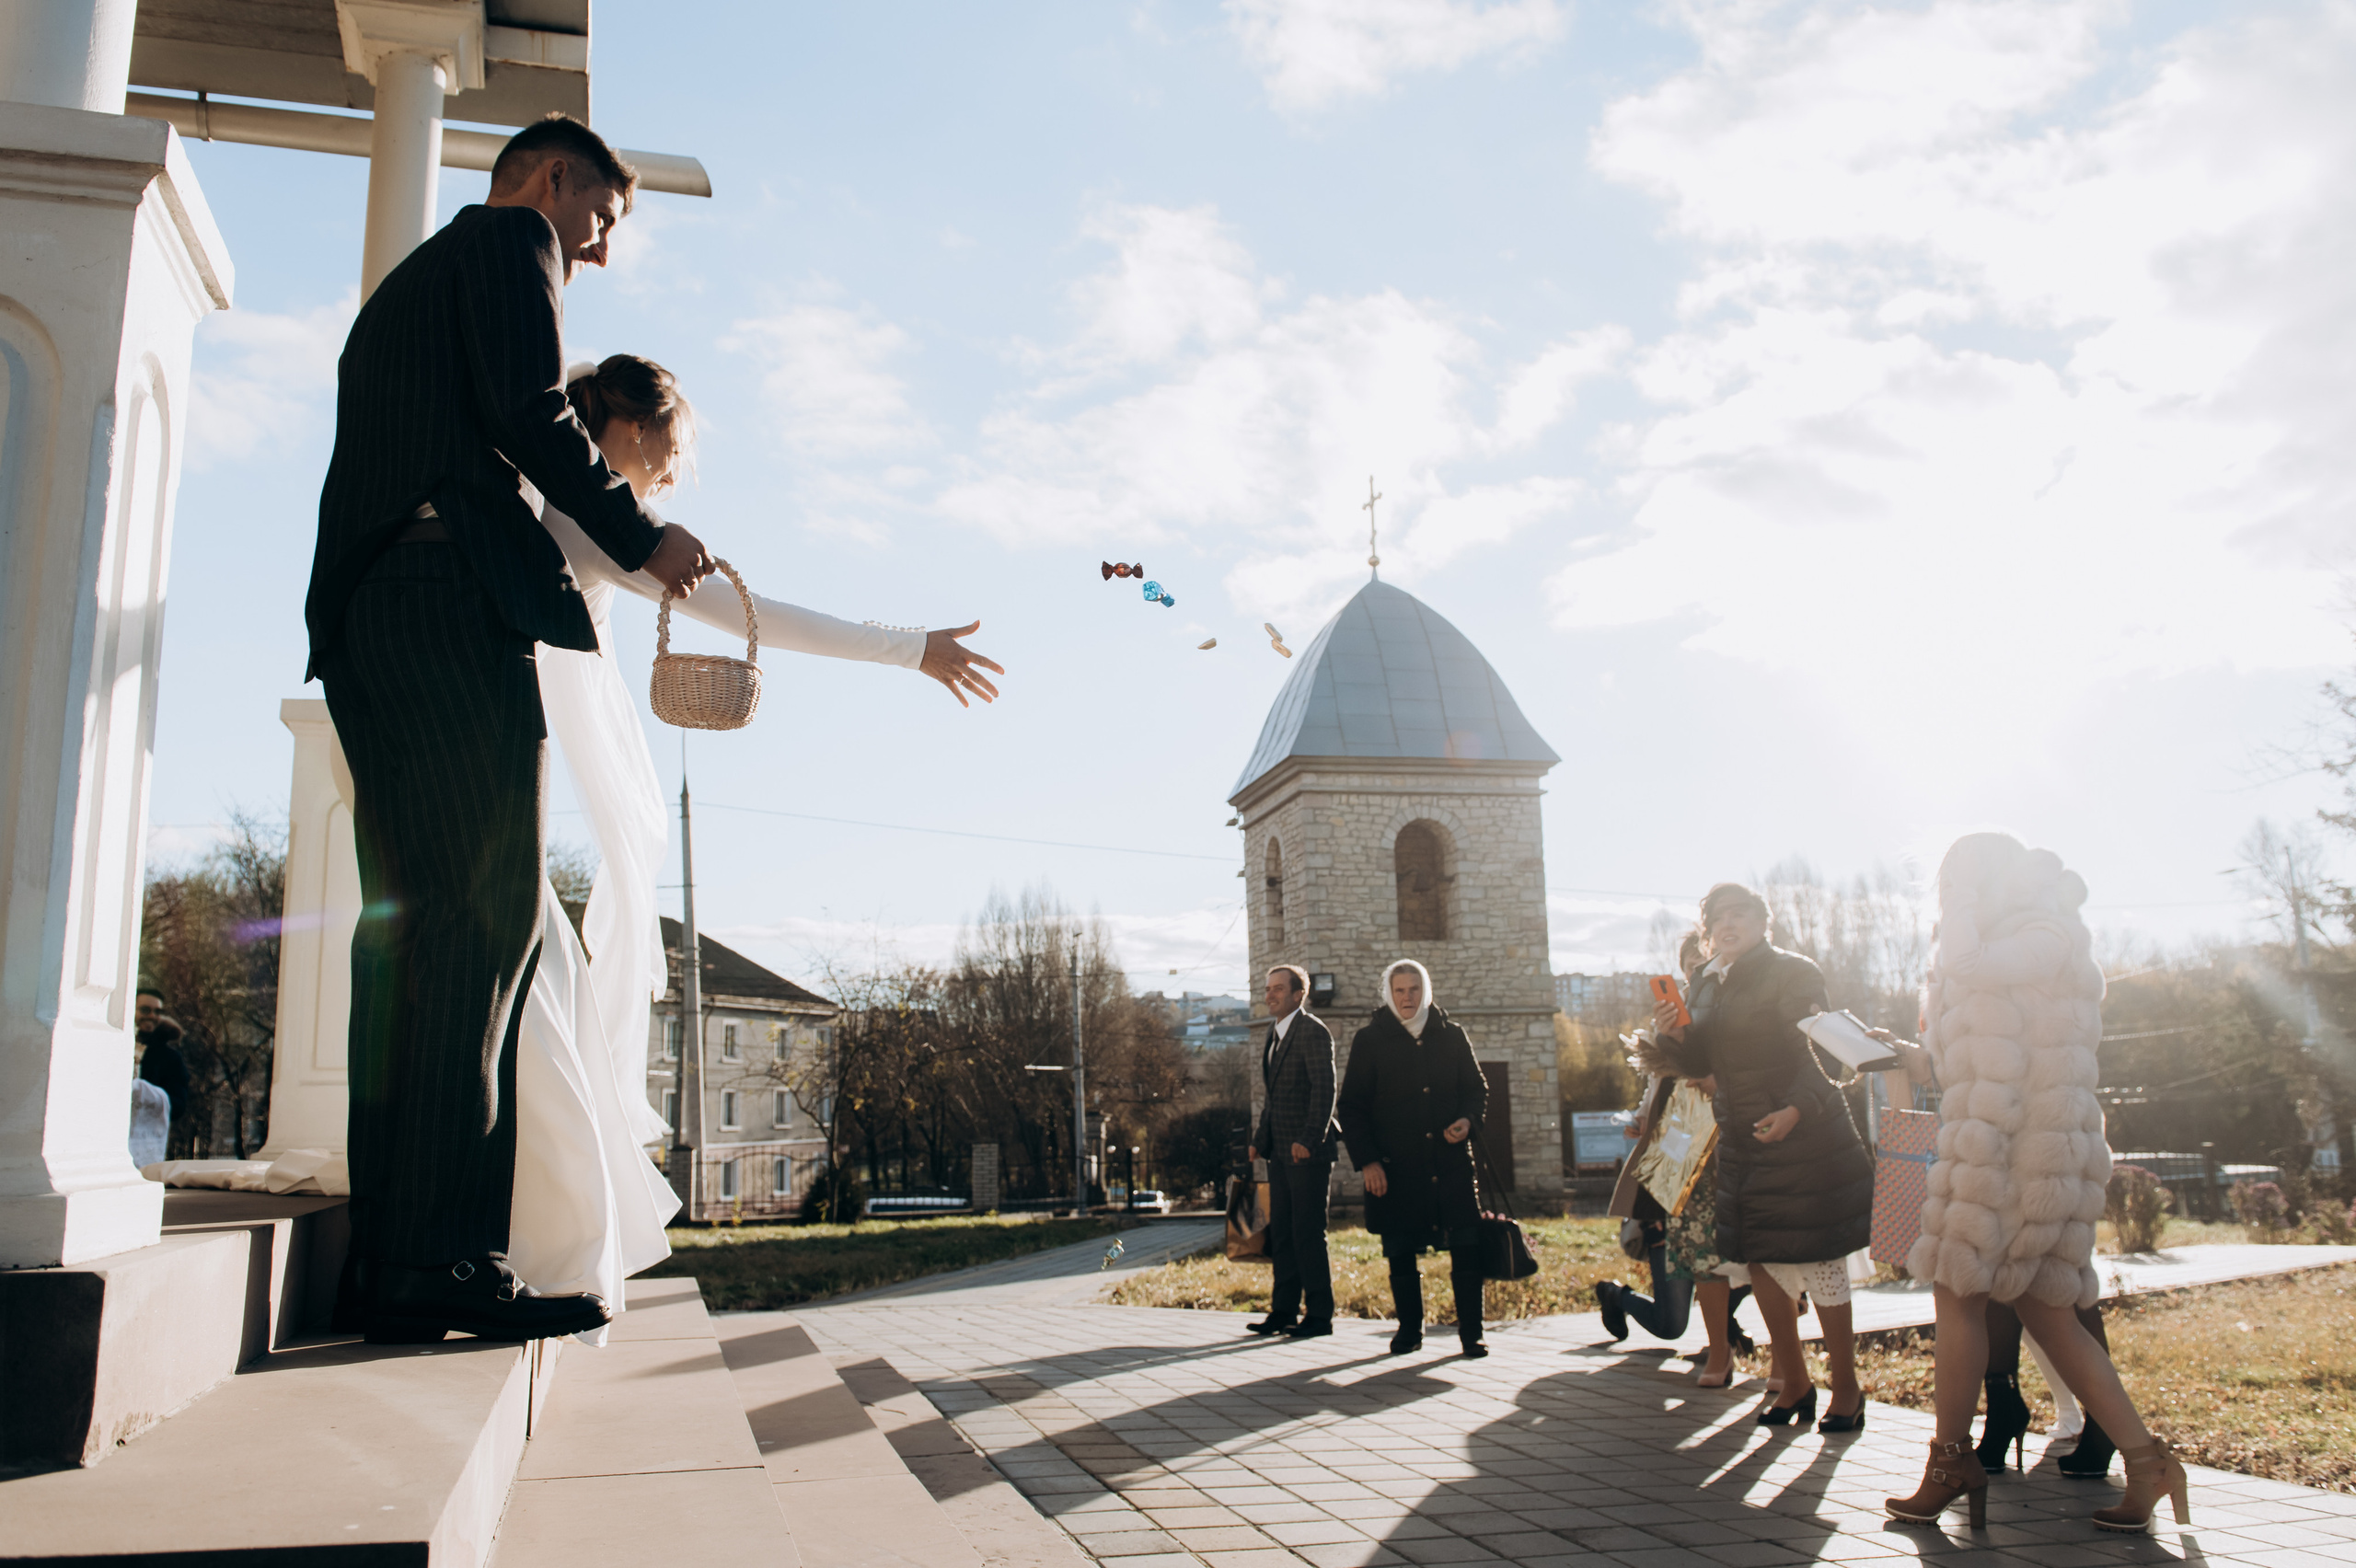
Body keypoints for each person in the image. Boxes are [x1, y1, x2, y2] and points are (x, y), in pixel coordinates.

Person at [306, 113, 718, 1344]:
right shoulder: (503, 248)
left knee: (413, 936)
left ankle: (396, 1253)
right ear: (551, 180)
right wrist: (646, 537)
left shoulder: (420, 284)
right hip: (442, 606)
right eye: (602, 217)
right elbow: (535, 413)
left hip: (378, 611)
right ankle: (440, 1263)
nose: (596, 249)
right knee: (483, 923)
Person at [515, 352, 999, 1323]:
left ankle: (542, 1218)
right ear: (634, 428)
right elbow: (754, 615)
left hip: (513, 717)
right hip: (510, 724)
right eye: (675, 447)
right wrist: (911, 649)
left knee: (549, 968)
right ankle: (550, 1226)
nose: (675, 470)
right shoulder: (602, 516)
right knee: (548, 979)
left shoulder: (544, 492)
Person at [1881, 834, 2182, 1535]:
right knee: (2045, 1312)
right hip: (1989, 1149)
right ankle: (2147, 1463)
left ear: (1985, 879)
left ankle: (1951, 1463)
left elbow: (1971, 963)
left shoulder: (2045, 932)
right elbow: (1963, 1056)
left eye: (1955, 880)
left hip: (2027, 1156)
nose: (1946, 893)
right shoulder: (1988, 945)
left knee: (1964, 1295)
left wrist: (1957, 905)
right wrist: (1906, 1054)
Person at [1642, 882, 1873, 1432]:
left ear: (1763, 922)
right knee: (1761, 1261)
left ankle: (1847, 1389)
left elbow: (1820, 1055)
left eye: (1739, 913)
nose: (1727, 923)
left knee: (1820, 1263)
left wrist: (1794, 1109)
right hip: (1742, 1138)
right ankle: (1794, 1383)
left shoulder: (1793, 972)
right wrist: (1673, 1035)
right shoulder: (1704, 980)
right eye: (1717, 917)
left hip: (1804, 1138)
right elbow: (1703, 1058)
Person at [1603, 936, 1756, 1382]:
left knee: (1749, 1251)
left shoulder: (1730, 1010)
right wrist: (1640, 1120)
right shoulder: (1674, 1021)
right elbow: (1656, 1092)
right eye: (1689, 965)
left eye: (1702, 962)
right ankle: (1625, 1300)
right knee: (1673, 1317)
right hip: (1681, 1151)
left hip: (1732, 1144)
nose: (1696, 971)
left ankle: (1727, 1338)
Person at [1336, 960, 1491, 1358]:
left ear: (1427, 991)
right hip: (1395, 1169)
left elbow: (1477, 1090)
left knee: (1468, 1247)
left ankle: (1472, 1333)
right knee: (1401, 1251)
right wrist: (1368, 1162)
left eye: (1415, 990)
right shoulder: (1370, 1040)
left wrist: (1467, 1121)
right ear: (1389, 993)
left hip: (1450, 1165)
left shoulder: (1452, 1035)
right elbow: (1352, 1107)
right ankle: (1409, 1330)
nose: (1408, 998)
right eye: (1400, 990)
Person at [1242, 964, 1338, 1340]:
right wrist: (1258, 1140)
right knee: (1281, 1232)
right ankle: (1283, 1311)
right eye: (1268, 989)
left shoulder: (1313, 1032)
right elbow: (1274, 1098)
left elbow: (1324, 1090)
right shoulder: (1273, 1033)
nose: (1270, 995)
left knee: (1308, 1233)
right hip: (1279, 1153)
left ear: (1299, 994)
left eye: (1279, 989)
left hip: (1307, 1153)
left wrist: (1310, 1137)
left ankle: (1319, 1315)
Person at [133, 988, 193, 1153]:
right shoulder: (113, 1043)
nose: (152, 1016)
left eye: (158, 1011)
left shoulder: (170, 1058)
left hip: (144, 1143)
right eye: (145, 1009)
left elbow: (179, 1105)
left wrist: (147, 1095)